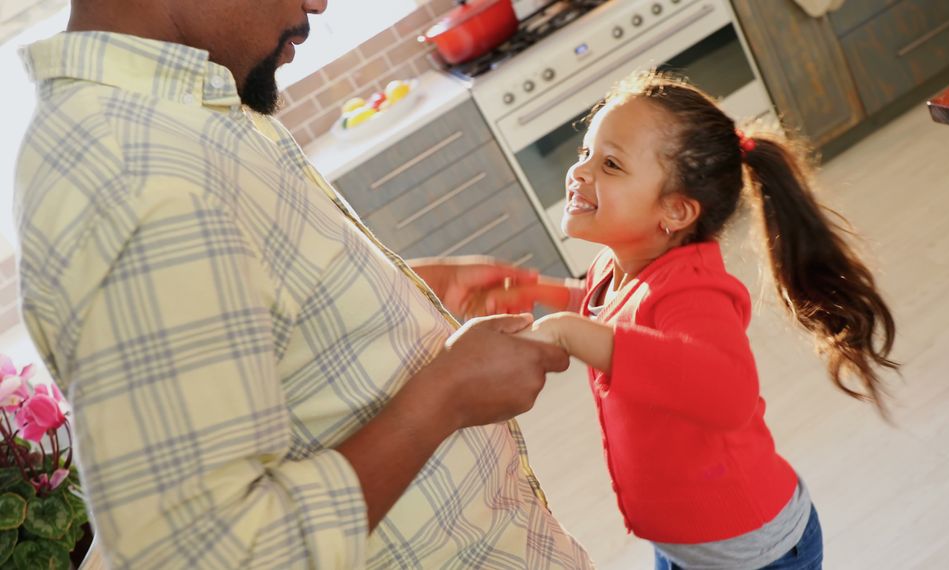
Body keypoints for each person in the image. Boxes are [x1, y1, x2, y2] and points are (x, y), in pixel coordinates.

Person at [12, 0, 592, 568]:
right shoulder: (134, 174)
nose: (318, 3)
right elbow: (216, 555)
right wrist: (446, 396)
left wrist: (387, 292)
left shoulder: (178, 104)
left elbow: (247, 315)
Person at [469, 71, 899, 570]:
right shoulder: (619, 264)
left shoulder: (695, 293)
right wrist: (545, 293)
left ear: (674, 211)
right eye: (586, 152)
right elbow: (611, 308)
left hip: (750, 553)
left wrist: (570, 332)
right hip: (689, 545)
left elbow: (729, 392)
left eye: (611, 164)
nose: (581, 172)